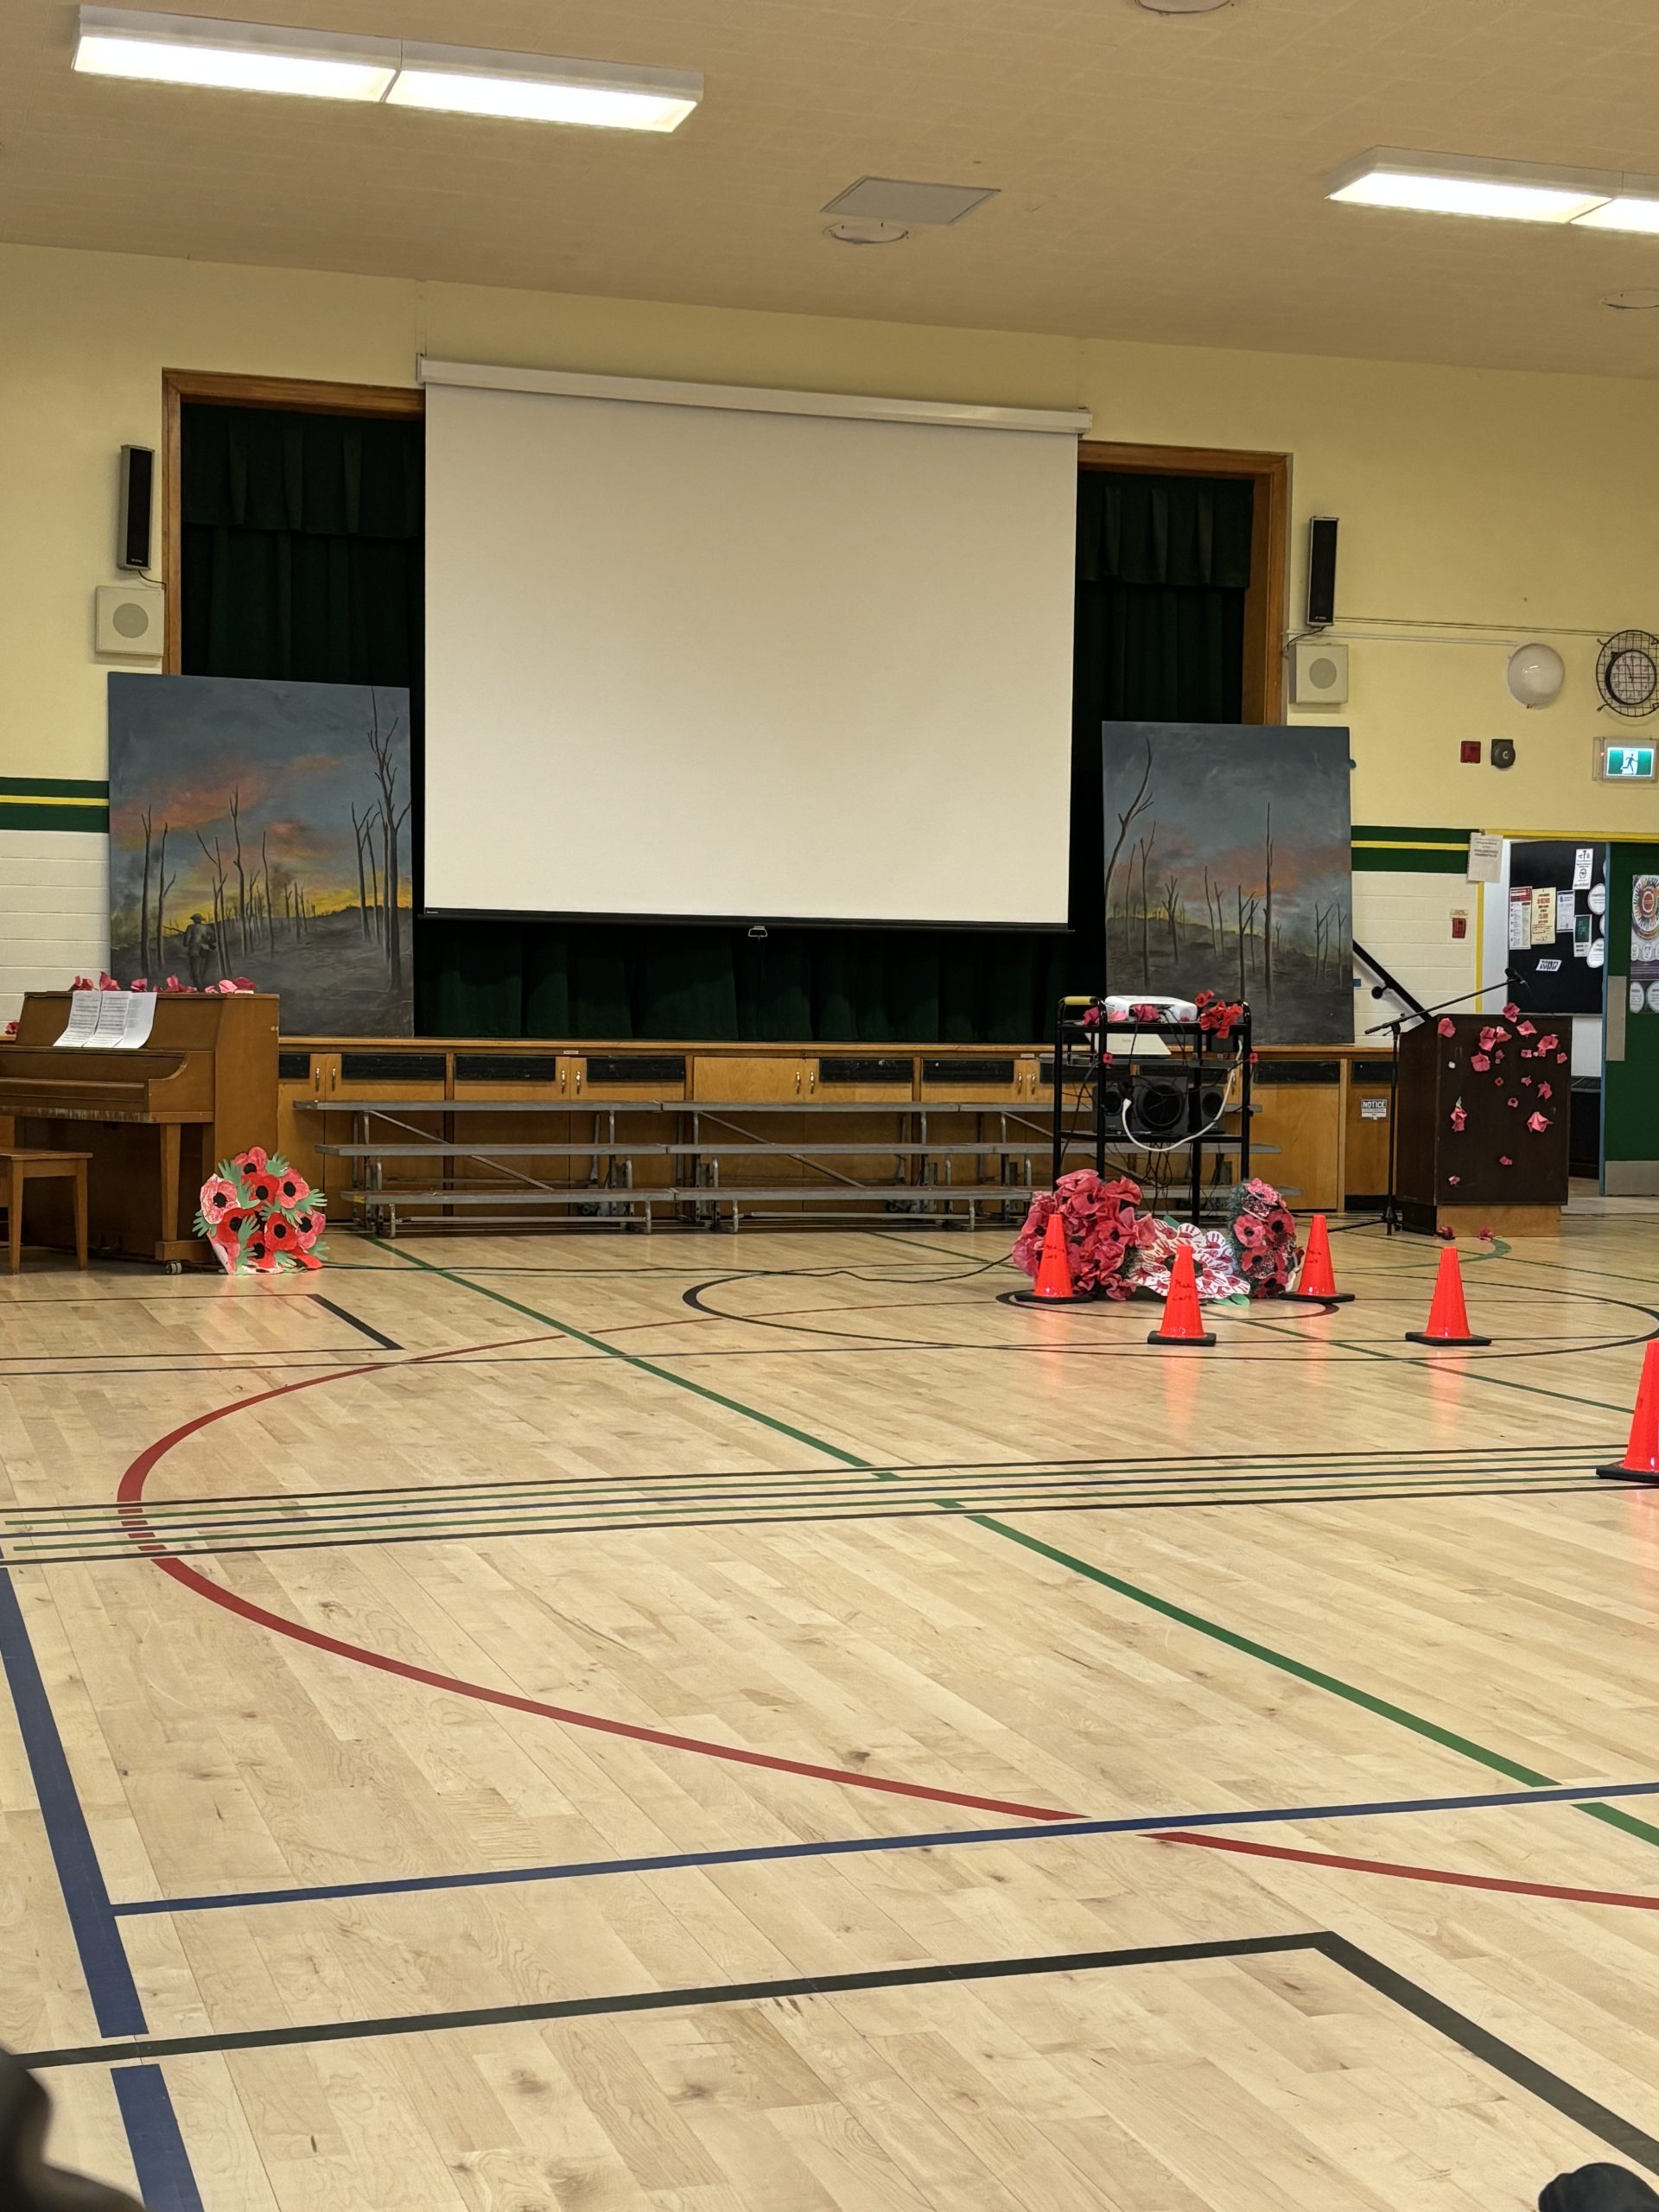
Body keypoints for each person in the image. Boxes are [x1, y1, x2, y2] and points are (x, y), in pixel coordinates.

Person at [181, 911, 216, 990]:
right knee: (202, 971)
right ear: (201, 920)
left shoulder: (190, 928)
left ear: (194, 920)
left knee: (196, 973)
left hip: (194, 951)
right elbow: (214, 939)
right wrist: (206, 940)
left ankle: (200, 991)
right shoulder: (207, 928)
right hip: (205, 950)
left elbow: (186, 942)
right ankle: (203, 989)